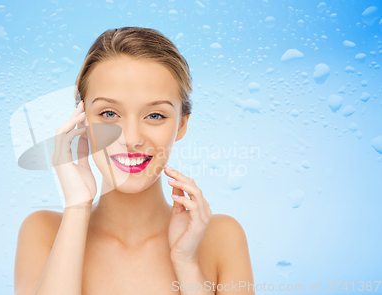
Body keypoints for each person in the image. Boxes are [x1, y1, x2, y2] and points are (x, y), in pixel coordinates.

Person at [14, 26, 254, 295]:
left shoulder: (221, 238)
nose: (130, 138)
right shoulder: (44, 232)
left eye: (154, 116)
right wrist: (77, 208)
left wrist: (186, 265)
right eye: (108, 113)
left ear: (182, 124)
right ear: (81, 121)